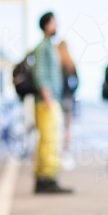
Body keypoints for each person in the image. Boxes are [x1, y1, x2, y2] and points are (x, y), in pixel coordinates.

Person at [31, 13, 72, 194]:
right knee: (50, 140)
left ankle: (44, 178)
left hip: (51, 100)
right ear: (47, 25)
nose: (56, 26)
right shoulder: (43, 48)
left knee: (49, 140)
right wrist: (47, 97)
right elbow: (40, 74)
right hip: (48, 101)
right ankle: (48, 179)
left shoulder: (49, 47)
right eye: (54, 22)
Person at [56, 40, 78, 168]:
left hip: (57, 98)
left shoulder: (57, 63)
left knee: (57, 126)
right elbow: (77, 82)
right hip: (68, 98)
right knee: (68, 127)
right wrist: (71, 92)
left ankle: (57, 151)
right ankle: (66, 151)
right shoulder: (70, 63)